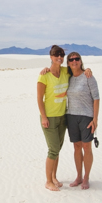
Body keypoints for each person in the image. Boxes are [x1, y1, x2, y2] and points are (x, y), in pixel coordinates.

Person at [64, 52, 100, 190]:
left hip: (86, 116)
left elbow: (96, 98)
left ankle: (86, 177)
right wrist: (46, 69)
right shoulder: (68, 77)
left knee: (87, 147)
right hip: (71, 116)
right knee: (77, 147)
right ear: (68, 63)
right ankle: (78, 176)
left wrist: (95, 119)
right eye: (71, 59)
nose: (74, 61)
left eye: (77, 59)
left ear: (80, 61)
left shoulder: (88, 76)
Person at [37, 45, 70, 192]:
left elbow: (78, 70)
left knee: (58, 149)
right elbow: (39, 98)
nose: (60, 57)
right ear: (51, 57)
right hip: (49, 118)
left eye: (62, 55)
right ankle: (48, 181)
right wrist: (44, 117)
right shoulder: (44, 75)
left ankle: (54, 177)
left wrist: (88, 70)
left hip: (62, 116)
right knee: (53, 149)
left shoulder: (65, 71)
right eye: (57, 55)